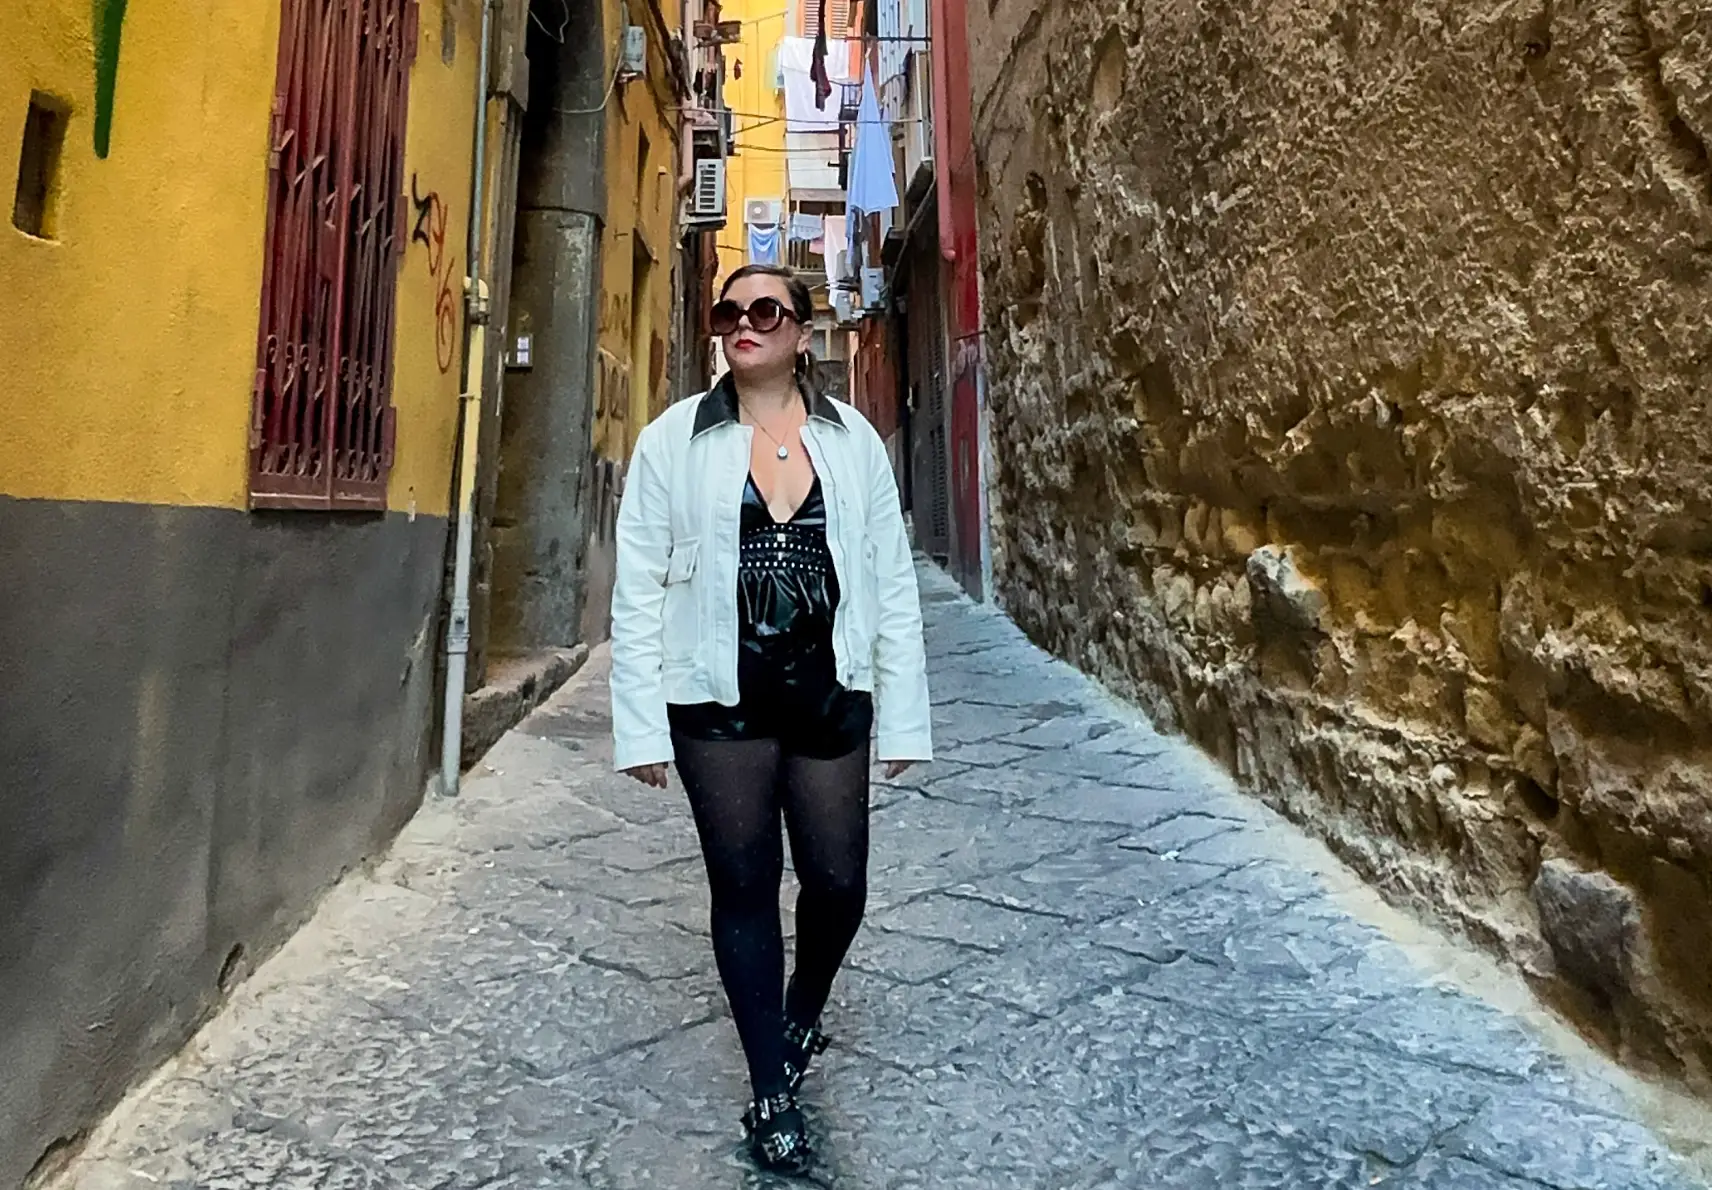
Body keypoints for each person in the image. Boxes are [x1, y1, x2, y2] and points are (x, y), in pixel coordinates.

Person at [609, 264, 933, 1174]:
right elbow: (637, 588)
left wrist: (903, 716)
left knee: (838, 886)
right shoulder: (675, 440)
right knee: (743, 887)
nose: (744, 324)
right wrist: (640, 727)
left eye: (766, 311)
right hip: (720, 698)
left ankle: (804, 1006)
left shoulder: (852, 441)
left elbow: (892, 581)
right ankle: (770, 1090)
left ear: (799, 332)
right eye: (730, 311)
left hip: (830, 690)